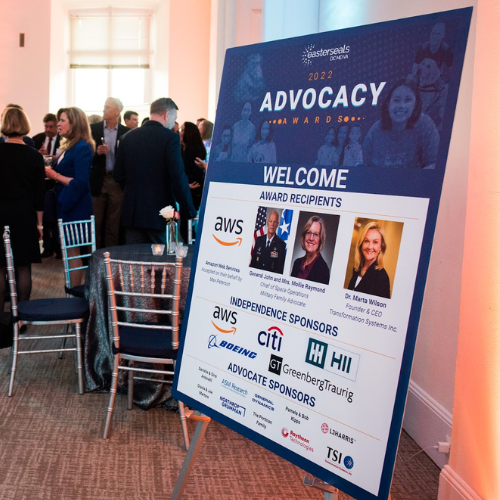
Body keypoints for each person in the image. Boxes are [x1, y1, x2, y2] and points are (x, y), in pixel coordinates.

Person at [114, 97, 197, 245]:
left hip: (132, 214)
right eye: (174, 118)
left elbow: (119, 175)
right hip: (161, 212)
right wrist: (189, 210)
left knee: (135, 263)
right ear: (167, 115)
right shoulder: (170, 138)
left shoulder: (127, 137)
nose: (173, 124)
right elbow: (177, 176)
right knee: (164, 261)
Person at [0, 107, 45, 334]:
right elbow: (39, 196)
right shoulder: (34, 155)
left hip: (0, 213)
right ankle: (21, 319)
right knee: (23, 266)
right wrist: (39, 225)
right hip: (24, 213)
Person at [44, 107, 95, 285]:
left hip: (75, 205)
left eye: (62, 120)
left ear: (74, 124)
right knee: (69, 250)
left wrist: (54, 175)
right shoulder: (70, 146)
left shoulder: (82, 147)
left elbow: (81, 182)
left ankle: (75, 295)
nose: (58, 123)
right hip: (66, 203)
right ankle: (73, 292)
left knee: (73, 250)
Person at [362, 79, 439, 169]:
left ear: (415, 104)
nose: (401, 105)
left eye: (408, 100)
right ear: (388, 104)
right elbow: (364, 166)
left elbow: (433, 164)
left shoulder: (425, 124)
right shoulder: (375, 130)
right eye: (396, 100)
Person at [89, 97, 129, 248]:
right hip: (98, 179)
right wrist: (96, 152)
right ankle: (95, 257)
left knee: (113, 223)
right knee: (96, 222)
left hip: (116, 180)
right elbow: (86, 154)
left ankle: (110, 257)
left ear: (117, 111)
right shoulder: (93, 129)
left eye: (107, 107)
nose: (103, 110)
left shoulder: (126, 132)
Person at [32, 113, 62, 257]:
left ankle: (58, 246)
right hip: (41, 182)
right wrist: (38, 154)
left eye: (51, 127)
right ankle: (46, 246)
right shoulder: (37, 139)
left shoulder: (63, 140)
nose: (48, 130)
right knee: (44, 215)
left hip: (57, 181)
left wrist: (56, 158)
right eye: (46, 126)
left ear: (57, 126)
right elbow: (30, 159)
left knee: (55, 215)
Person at [347, 221, 391, 298]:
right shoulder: (356, 269)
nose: (370, 247)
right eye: (366, 241)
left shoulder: (382, 278)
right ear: (361, 244)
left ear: (381, 247)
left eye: (375, 242)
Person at [179, 121, 206, 242]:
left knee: (187, 223)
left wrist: (185, 182)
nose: (180, 132)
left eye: (183, 130)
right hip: (189, 188)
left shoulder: (193, 150)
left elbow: (195, 173)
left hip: (193, 190)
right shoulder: (184, 148)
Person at [291, 216, 330, 285]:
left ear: (321, 239)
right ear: (304, 235)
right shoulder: (297, 263)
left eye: (316, 234)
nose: (311, 238)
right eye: (308, 232)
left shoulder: (323, 270)